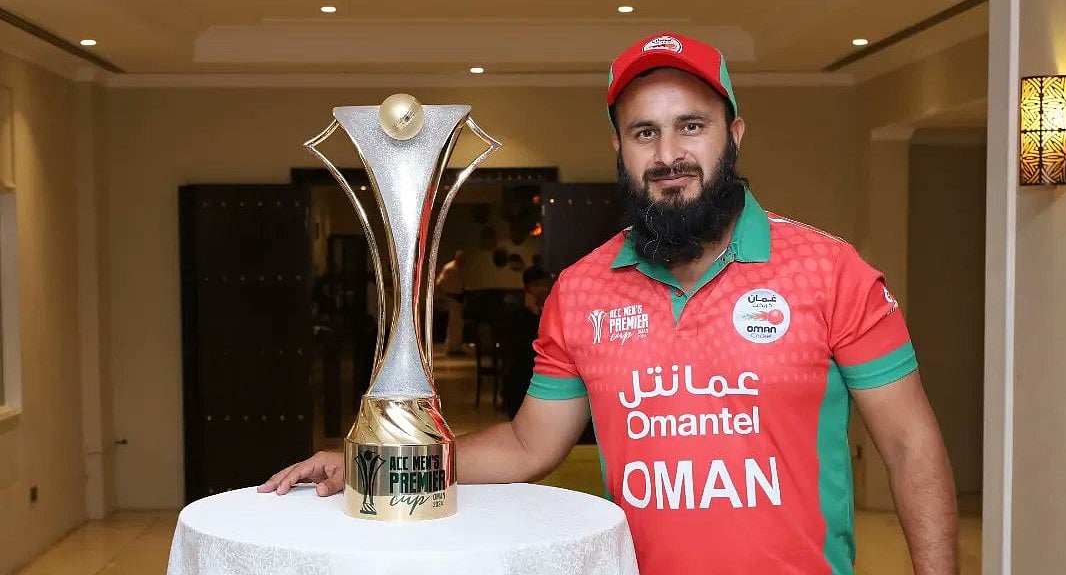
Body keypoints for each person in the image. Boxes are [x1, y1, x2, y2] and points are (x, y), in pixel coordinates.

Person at [260, 32, 957, 575]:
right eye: (644, 132)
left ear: (735, 135)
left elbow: (909, 444)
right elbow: (529, 445)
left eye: (692, 126)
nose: (669, 154)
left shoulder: (829, 271)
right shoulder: (583, 289)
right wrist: (379, 463)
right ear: (620, 147)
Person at [499, 265, 555, 418]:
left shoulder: (552, 308)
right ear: (528, 288)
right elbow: (522, 347)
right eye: (537, 285)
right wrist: (534, 315)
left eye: (545, 284)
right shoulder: (516, 313)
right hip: (523, 375)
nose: (543, 289)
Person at [435, 249, 466, 355]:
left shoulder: (460, 269)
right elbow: (439, 282)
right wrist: (441, 296)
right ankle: (451, 347)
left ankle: (457, 346)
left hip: (458, 298)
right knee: (453, 322)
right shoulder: (449, 268)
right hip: (452, 298)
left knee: (458, 323)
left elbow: (461, 283)